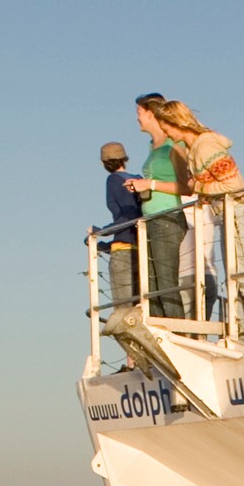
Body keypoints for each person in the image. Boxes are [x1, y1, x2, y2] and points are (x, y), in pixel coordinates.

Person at [156, 98, 244, 333]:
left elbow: (235, 186)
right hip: (226, 213)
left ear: (176, 123)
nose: (167, 134)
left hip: (237, 212)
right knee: (235, 276)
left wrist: (199, 189)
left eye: (168, 128)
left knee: (242, 276)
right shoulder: (196, 149)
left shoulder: (204, 146)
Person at [129, 98, 187, 321]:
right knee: (151, 285)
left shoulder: (173, 145)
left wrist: (150, 184)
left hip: (168, 216)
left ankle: (180, 333)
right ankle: (160, 334)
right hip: (150, 218)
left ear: (151, 113)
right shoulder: (151, 147)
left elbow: (186, 185)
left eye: (139, 112)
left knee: (165, 282)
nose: (137, 117)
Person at [96, 141, 142, 319]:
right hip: (141, 249)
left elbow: (127, 217)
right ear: (125, 159)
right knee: (139, 310)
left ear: (103, 163)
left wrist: (100, 232)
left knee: (124, 315)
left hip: (123, 251)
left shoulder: (113, 180)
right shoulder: (137, 179)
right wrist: (105, 245)